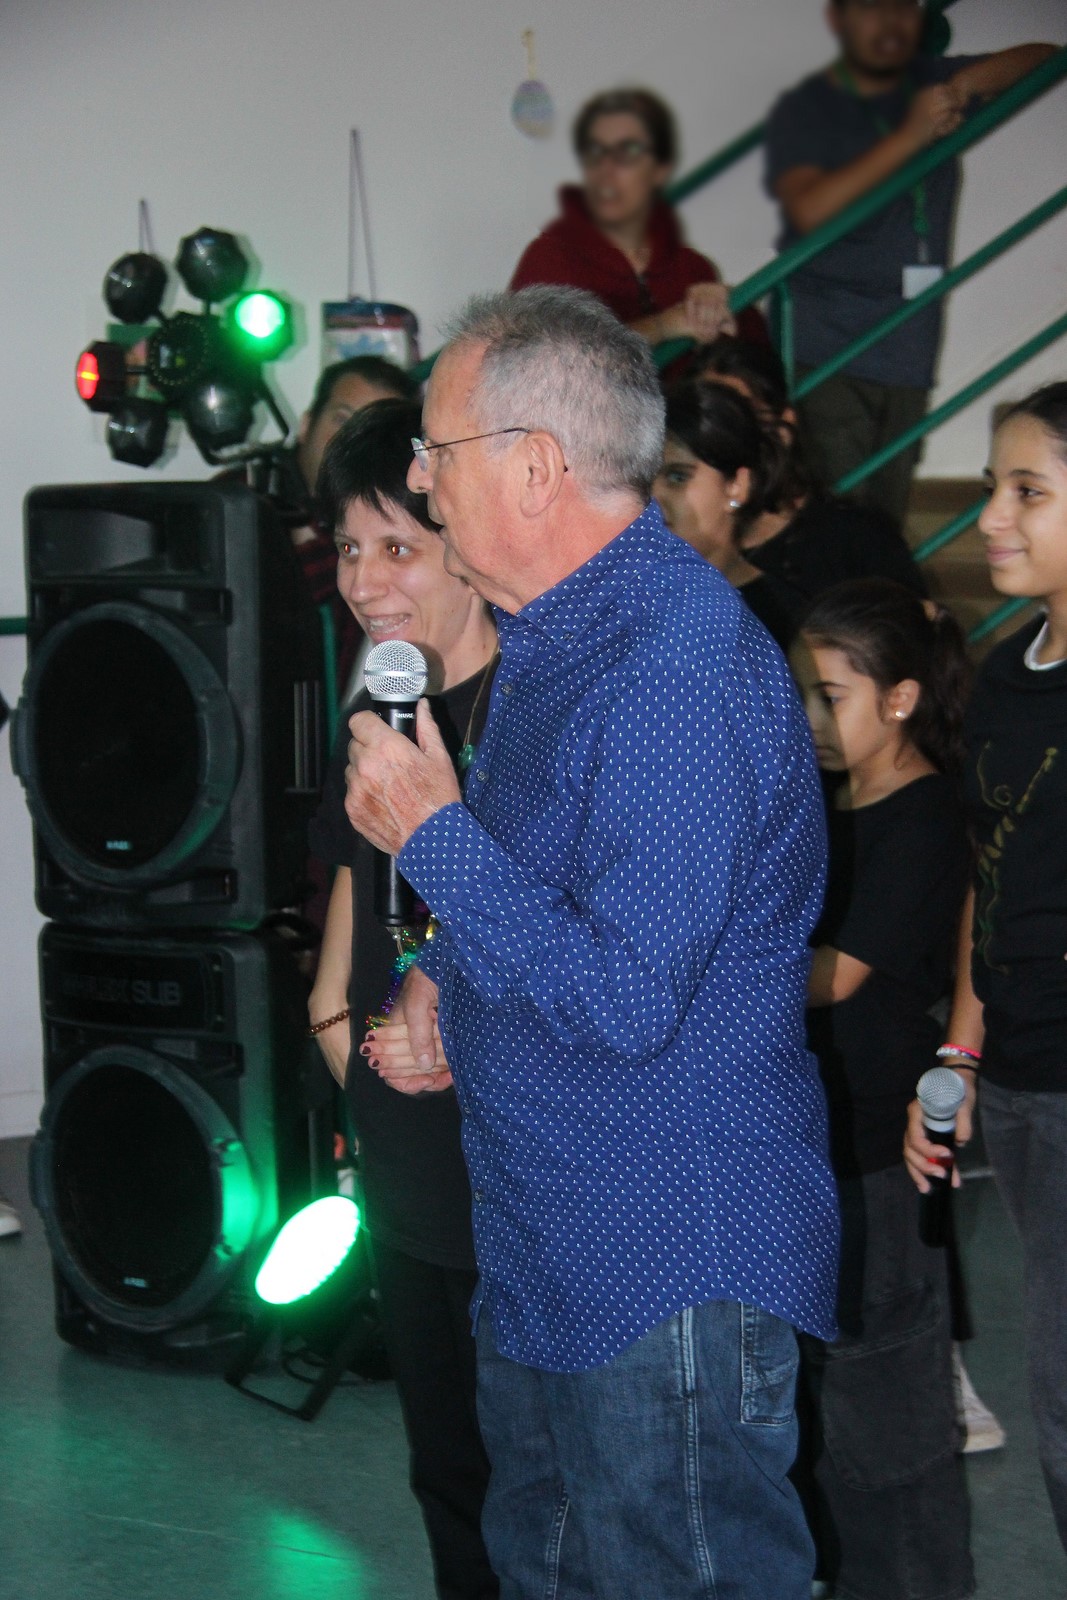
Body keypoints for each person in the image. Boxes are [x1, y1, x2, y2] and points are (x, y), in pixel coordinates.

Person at [345, 285, 839, 1599]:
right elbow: (548, 870)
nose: (417, 479)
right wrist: (442, 975)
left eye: (435, 450)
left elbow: (624, 997)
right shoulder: (559, 634)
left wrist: (429, 836)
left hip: (663, 1254)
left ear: (533, 468)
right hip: (547, 1234)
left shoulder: (671, 672)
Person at [306, 397, 499, 1600]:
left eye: (397, 546)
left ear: (465, 545)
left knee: (551, 1484)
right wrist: (360, 1057)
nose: (365, 581)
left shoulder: (532, 718)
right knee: (450, 1477)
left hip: (521, 1170)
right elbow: (340, 970)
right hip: (407, 1163)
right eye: (346, 547)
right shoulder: (373, 718)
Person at [905, 382, 1067, 1556]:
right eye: (990, 487)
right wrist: (959, 1053)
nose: (989, 517)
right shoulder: (1007, 672)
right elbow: (988, 871)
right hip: (1013, 1076)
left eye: (1026, 491)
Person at [791, 578, 974, 1600]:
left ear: (898, 699)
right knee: (823, 1412)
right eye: (801, 696)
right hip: (814, 1144)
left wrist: (700, 966)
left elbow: (837, 975)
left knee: (890, 1428)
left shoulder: (926, 814)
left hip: (880, 1158)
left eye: (831, 696)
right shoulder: (827, 805)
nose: (811, 719)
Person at [765, 4, 1055, 527]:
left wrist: (962, 88)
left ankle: (879, 580)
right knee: (837, 510)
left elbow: (1044, 57)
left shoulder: (930, 79)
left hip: (907, 340)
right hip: (828, 340)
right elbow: (817, 211)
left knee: (884, 511)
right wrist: (909, 136)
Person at [510, 87, 767, 354]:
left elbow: (758, 359)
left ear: (659, 170)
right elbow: (542, 360)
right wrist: (663, 326)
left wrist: (730, 300)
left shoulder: (692, 268)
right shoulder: (550, 258)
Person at [683, 335, 930, 598]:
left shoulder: (859, 541)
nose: (719, 438)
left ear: (782, 429)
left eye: (735, 419)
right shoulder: (674, 549)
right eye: (704, 422)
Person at [277, 356, 421, 692]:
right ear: (306, 424)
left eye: (375, 433)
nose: (353, 442)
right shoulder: (244, 496)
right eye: (342, 420)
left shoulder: (410, 506)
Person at [656, 379, 805, 651]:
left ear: (737, 486)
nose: (652, 497)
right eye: (641, 479)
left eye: (678, 477)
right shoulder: (609, 597)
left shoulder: (780, 621)